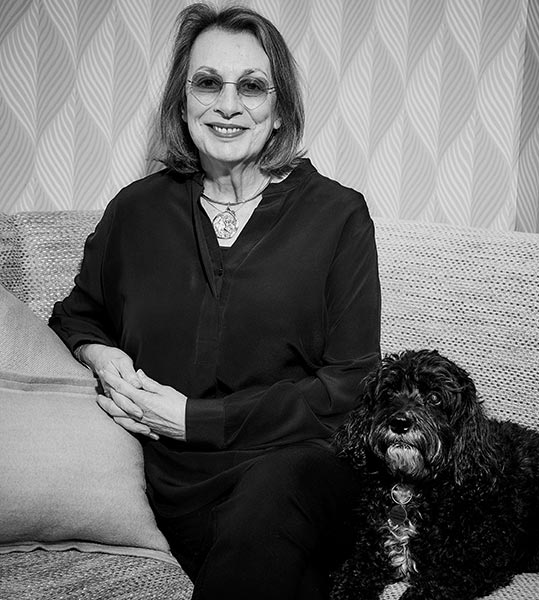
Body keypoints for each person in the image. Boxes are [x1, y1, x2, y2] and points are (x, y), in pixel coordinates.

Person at [49, 4, 380, 599]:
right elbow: (78, 313)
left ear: (280, 112)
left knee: (279, 490)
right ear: (182, 103)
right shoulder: (136, 210)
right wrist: (101, 354)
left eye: (251, 86)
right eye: (207, 83)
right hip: (177, 485)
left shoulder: (338, 216)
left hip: (296, 467)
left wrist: (194, 419)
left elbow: (352, 384)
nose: (228, 105)